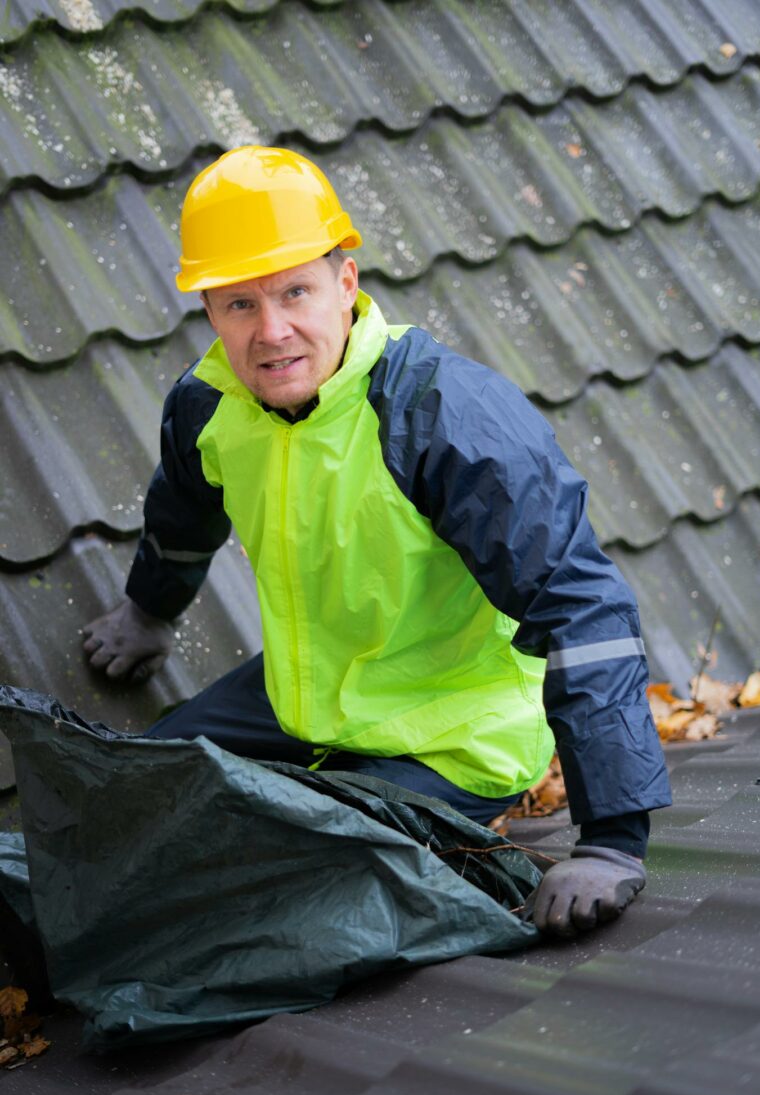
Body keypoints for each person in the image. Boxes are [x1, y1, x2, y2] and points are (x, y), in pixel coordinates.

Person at [83, 146, 671, 937]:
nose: (272, 331)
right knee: (133, 798)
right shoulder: (207, 405)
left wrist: (612, 840)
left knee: (283, 883)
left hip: (451, 728)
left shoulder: (441, 416)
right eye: (240, 305)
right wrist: (149, 611)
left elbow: (581, 607)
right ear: (209, 310)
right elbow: (184, 512)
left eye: (296, 291)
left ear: (346, 284)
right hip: (308, 694)